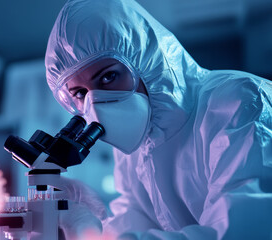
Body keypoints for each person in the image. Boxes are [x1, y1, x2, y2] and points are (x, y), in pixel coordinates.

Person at [44, 0, 272, 239]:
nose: (97, 104)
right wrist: (95, 225)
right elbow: (141, 218)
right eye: (81, 93)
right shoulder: (136, 142)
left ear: (146, 58)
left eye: (109, 76)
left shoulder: (240, 103)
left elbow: (244, 229)